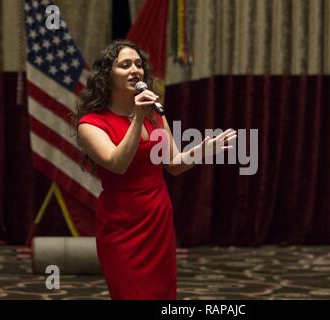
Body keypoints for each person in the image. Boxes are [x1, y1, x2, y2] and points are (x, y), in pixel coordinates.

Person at [75, 39, 237, 300]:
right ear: (108, 74)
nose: (134, 70)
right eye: (124, 65)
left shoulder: (155, 115)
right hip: (120, 226)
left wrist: (205, 150)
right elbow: (118, 163)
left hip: (157, 221)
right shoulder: (91, 123)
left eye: (138, 65)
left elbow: (173, 165)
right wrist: (138, 117)